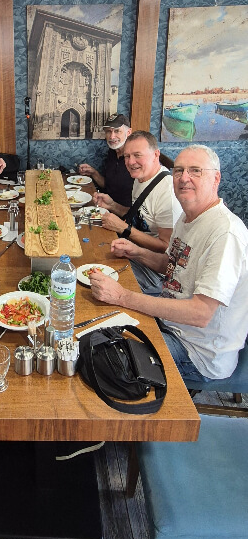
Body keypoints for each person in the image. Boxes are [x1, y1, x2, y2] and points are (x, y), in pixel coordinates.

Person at [88, 145, 248, 382]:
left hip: (196, 352)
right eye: (179, 170)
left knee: (100, 362)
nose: (184, 178)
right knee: (94, 331)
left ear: (216, 178)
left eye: (195, 171)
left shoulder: (226, 234)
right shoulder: (188, 216)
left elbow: (200, 314)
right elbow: (172, 265)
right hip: (168, 324)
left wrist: (122, 296)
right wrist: (136, 252)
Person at [95, 130, 182, 294]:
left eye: (137, 155)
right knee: (93, 254)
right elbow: (142, 216)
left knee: (97, 279)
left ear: (156, 155)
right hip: (134, 250)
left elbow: (166, 247)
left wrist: (124, 228)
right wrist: (113, 205)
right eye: (127, 156)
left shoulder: (167, 193)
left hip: (155, 272)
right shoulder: (140, 177)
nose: (131, 162)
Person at [78, 113, 133, 206]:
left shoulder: (134, 159)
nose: (112, 136)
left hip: (125, 211)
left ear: (128, 132)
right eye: (108, 131)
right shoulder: (112, 152)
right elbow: (108, 185)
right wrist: (93, 173)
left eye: (117, 131)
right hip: (105, 205)